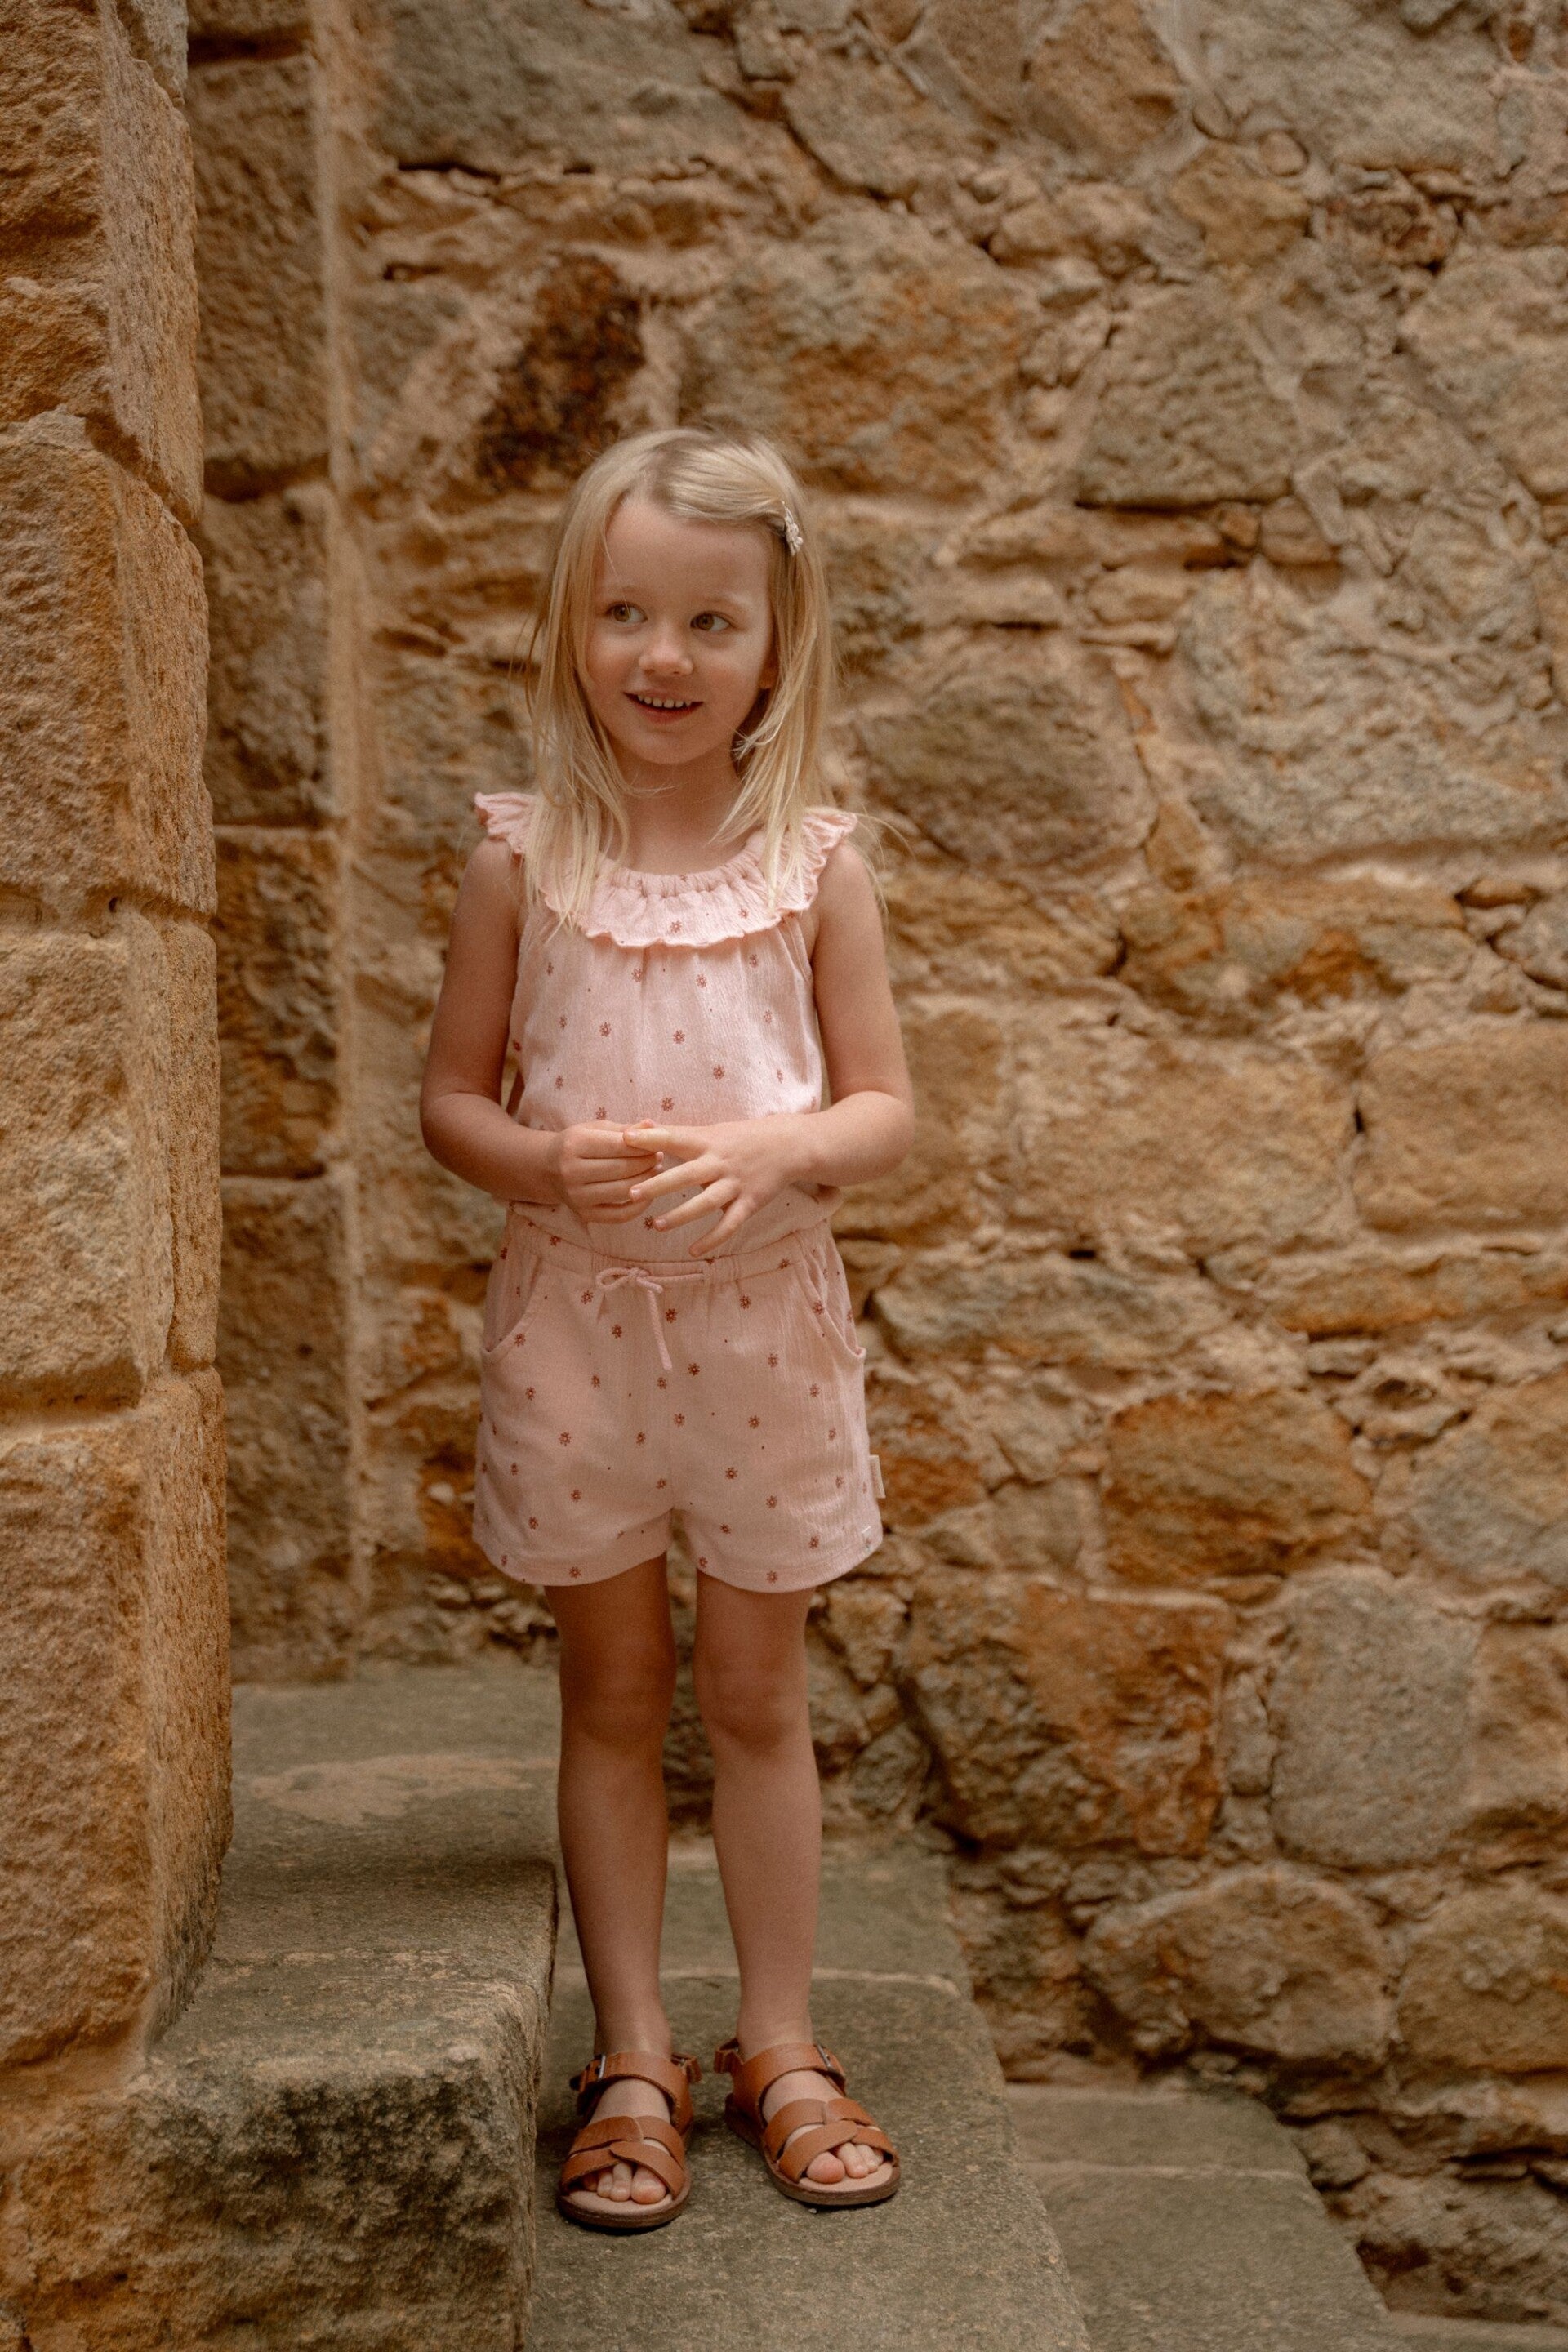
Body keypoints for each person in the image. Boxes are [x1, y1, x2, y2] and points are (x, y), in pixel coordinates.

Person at [420, 427, 914, 2233]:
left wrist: (784, 1148)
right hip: (580, 1342)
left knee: (758, 1695)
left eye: (713, 621)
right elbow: (449, 1103)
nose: (665, 655)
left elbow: (885, 1108)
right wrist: (540, 1163)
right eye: (628, 612)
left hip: (763, 1340)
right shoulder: (523, 860)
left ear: (776, 647)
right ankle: (634, 2054)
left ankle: (779, 2041)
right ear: (574, 622)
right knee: (614, 1693)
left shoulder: (813, 864)